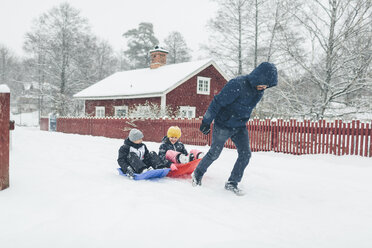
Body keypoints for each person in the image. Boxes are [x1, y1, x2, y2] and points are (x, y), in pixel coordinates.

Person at [191, 62, 278, 195]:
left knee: (246, 154)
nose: (265, 87)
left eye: (268, 85)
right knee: (214, 153)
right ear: (258, 77)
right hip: (223, 124)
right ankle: (197, 173)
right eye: (265, 83)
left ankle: (232, 182)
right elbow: (217, 102)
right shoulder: (237, 84)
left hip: (240, 126)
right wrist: (206, 121)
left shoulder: (259, 91)